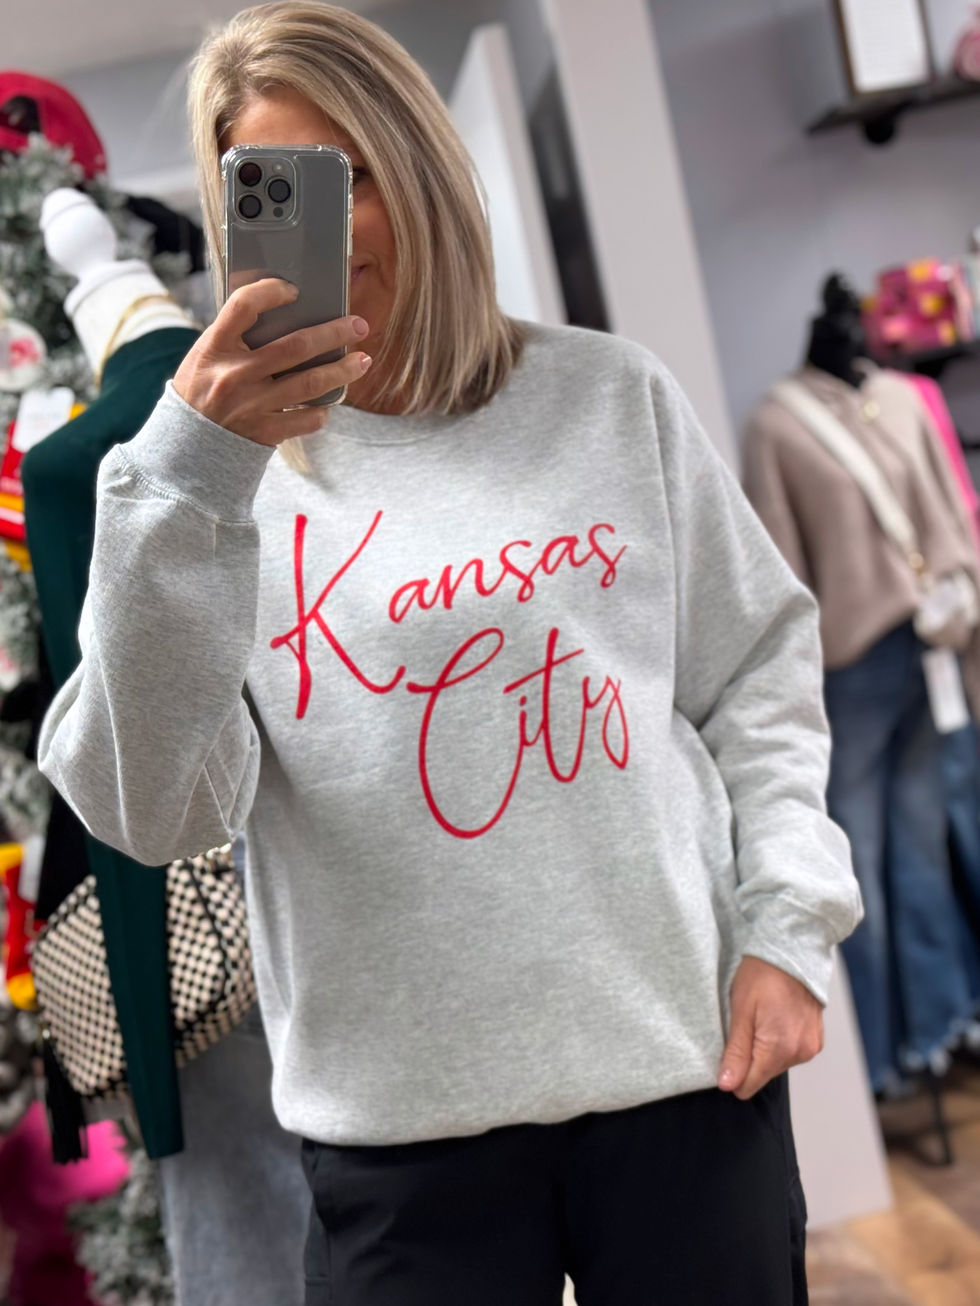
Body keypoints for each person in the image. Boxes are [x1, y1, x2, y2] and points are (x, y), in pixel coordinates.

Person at [37, 4, 862, 1304]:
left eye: (356, 175)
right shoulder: (207, 487)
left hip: (682, 1073)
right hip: (399, 1136)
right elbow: (148, 806)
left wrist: (789, 926)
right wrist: (188, 479)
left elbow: (756, 670)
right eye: (280, 192)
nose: (334, 230)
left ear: (424, 166)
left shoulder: (610, 397)